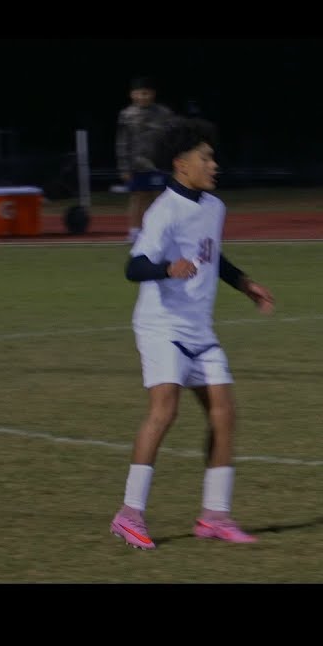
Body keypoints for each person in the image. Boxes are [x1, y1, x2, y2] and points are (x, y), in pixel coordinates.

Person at [109, 117, 276, 550]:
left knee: (225, 412)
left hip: (200, 328)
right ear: (182, 164)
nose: (214, 165)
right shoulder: (163, 211)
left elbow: (212, 257)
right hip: (161, 325)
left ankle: (214, 516)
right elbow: (133, 266)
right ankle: (129, 514)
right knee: (164, 411)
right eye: (206, 158)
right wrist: (167, 267)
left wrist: (245, 284)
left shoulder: (214, 208)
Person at [116, 76, 174, 244]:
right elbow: (122, 142)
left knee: (160, 198)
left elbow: (171, 139)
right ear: (132, 95)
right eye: (140, 94)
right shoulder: (127, 115)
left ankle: (159, 231)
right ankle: (134, 232)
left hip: (158, 164)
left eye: (146, 93)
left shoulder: (164, 114)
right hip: (137, 164)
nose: (143, 97)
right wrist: (124, 167)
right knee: (138, 197)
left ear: (153, 94)